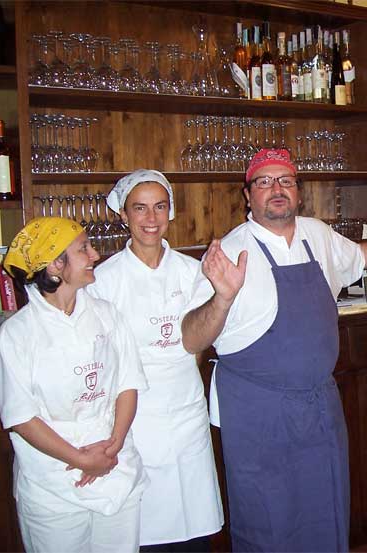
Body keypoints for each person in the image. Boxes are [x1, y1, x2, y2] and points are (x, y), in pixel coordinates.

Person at [181, 148, 367, 552]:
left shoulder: (315, 234)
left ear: (299, 193)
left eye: (286, 181)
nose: (276, 189)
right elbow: (192, 339)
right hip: (258, 415)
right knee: (268, 520)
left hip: (320, 407)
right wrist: (222, 298)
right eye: (264, 182)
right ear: (247, 195)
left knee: (326, 510)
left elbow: (360, 256)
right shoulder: (230, 251)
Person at [0, 217, 148, 552]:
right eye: (83, 249)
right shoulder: (17, 335)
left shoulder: (107, 314)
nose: (94, 255)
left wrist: (114, 444)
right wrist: (80, 459)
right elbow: (22, 418)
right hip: (53, 480)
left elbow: (128, 383)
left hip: (114, 465)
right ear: (55, 266)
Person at [87, 170, 224, 552]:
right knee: (146, 525)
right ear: (124, 215)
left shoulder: (190, 270)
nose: (151, 218)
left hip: (185, 407)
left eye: (159, 207)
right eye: (140, 208)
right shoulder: (104, 278)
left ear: (171, 212)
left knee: (194, 521)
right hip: (134, 412)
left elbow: (200, 338)